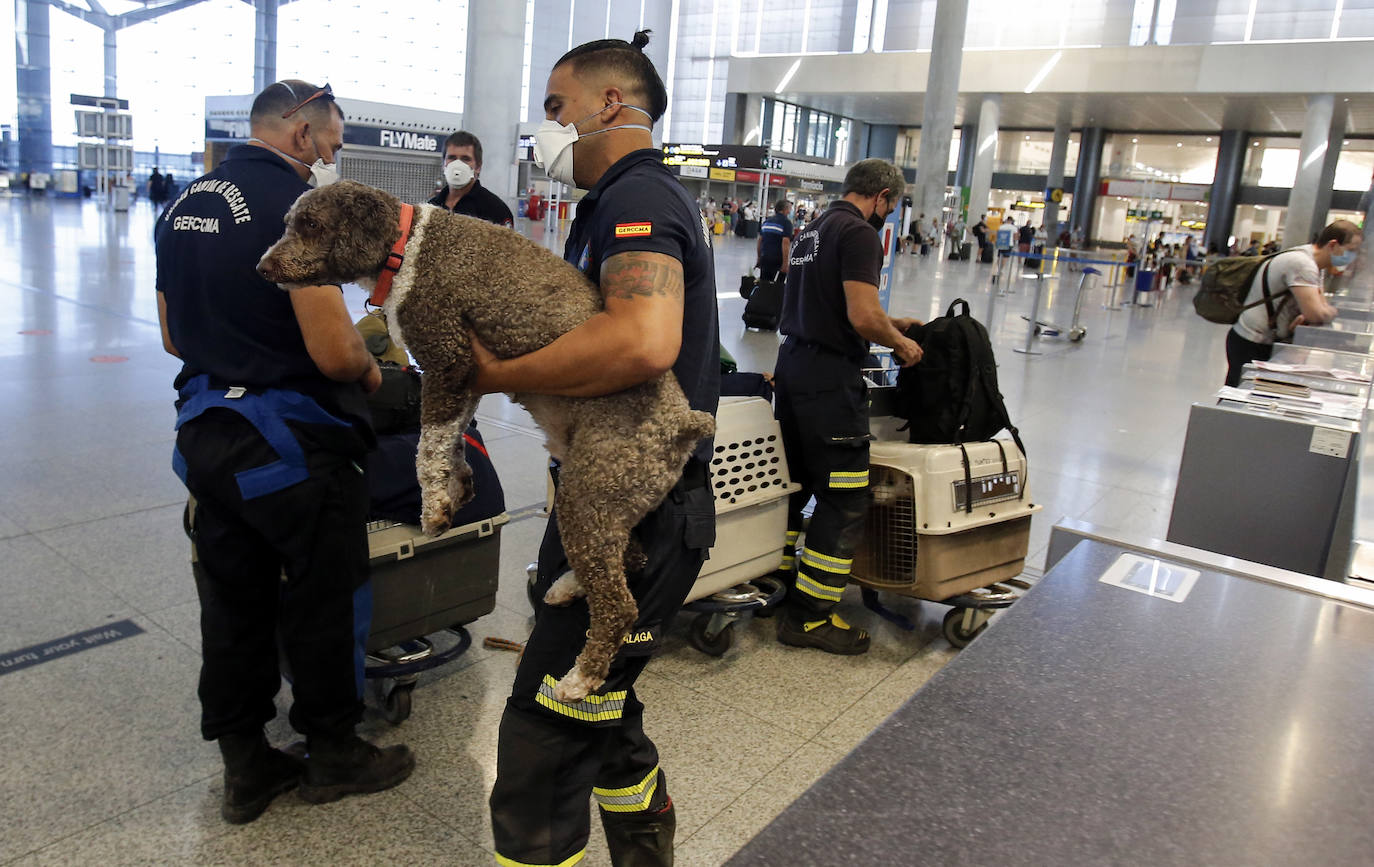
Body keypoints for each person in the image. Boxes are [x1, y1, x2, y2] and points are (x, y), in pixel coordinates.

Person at [474, 30, 719, 867]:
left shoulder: (635, 195)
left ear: (610, 104)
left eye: (556, 107)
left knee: (544, 741)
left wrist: (499, 372)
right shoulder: (624, 197)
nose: (546, 126)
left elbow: (644, 339)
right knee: (604, 714)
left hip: (636, 519)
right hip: (619, 503)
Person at [154, 79, 415, 826]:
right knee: (323, 596)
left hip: (208, 436)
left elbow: (171, 336)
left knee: (231, 603)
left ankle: (246, 766)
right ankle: (333, 751)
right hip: (295, 444)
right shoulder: (303, 210)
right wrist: (372, 373)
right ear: (301, 132)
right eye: (331, 139)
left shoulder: (183, 203)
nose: (332, 154)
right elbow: (333, 351)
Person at [772, 158, 924, 656]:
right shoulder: (859, 233)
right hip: (830, 381)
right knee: (844, 496)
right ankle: (810, 616)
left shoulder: (813, 229)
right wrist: (899, 342)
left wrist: (891, 321)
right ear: (881, 196)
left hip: (793, 369)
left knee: (795, 485)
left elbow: (829, 306)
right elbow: (860, 316)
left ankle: (776, 585)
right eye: (891, 207)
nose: (888, 215)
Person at [1224, 220, 1362, 387]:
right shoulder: (1303, 264)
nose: (1353, 256)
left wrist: (1318, 311)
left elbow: (1319, 307)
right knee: (1239, 391)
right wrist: (1328, 312)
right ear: (1333, 244)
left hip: (1262, 340)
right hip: (1252, 342)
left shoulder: (1314, 264)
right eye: (1351, 250)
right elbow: (1317, 314)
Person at [427, 130, 514, 226]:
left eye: (465, 159)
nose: (457, 165)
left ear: (478, 167)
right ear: (443, 164)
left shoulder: (495, 209)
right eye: (452, 158)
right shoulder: (431, 207)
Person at [756, 198, 794, 282]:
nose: (790, 211)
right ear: (785, 209)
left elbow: (760, 241)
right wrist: (785, 263)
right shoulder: (786, 223)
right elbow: (785, 243)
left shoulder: (767, 222)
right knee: (777, 286)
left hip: (765, 257)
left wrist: (759, 258)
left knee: (764, 284)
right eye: (790, 209)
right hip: (777, 259)